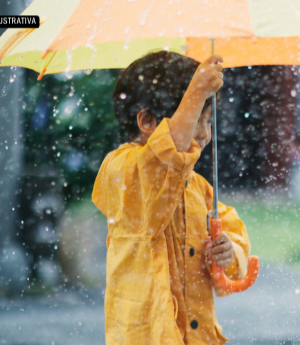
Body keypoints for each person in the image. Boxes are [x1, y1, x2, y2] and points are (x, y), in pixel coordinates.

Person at [92, 51, 251, 344]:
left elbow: (232, 233)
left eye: (208, 121)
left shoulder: (198, 187)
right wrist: (196, 91)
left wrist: (229, 253)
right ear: (147, 121)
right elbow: (162, 159)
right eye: (195, 120)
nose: (204, 134)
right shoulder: (121, 169)